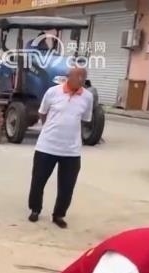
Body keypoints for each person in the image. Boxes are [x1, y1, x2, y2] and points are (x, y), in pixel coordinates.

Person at [27, 67, 93, 229]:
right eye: (78, 77)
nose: (81, 80)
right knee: (38, 181)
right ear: (68, 77)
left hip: (71, 150)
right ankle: (35, 209)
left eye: (83, 78)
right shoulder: (53, 92)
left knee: (67, 186)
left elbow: (85, 119)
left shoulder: (87, 97)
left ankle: (59, 215)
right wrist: (50, 127)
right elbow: (43, 113)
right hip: (47, 146)